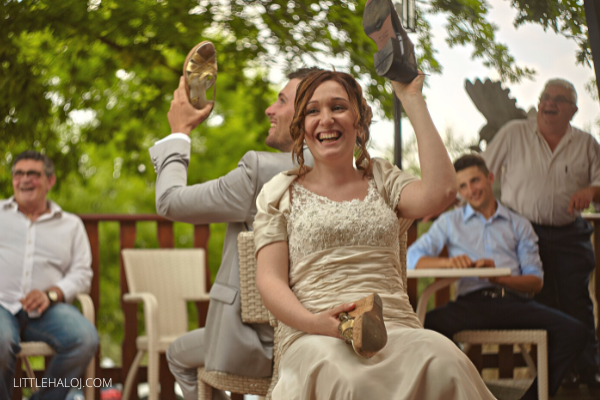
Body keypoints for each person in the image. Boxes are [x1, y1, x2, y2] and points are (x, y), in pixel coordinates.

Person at [253, 70, 496, 399]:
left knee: (445, 359)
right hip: (314, 334)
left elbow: (441, 192)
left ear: (359, 121)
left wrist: (411, 99)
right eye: (313, 110)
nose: (326, 119)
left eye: (338, 107)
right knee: (347, 381)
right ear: (301, 127)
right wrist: (317, 323)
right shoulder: (279, 192)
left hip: (395, 327)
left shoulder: (383, 179)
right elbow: (269, 281)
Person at [150, 68, 320, 400]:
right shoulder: (351, 176)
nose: (270, 109)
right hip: (328, 333)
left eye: (281, 100)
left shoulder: (263, 172)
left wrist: (180, 131)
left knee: (177, 355)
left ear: (309, 115)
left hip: (258, 343)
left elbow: (170, 202)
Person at [407, 153, 588, 399]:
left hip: (512, 303)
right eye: (463, 186)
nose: (471, 190)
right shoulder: (449, 223)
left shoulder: (519, 224)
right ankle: (458, 393)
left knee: (575, 331)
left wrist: (497, 278)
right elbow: (410, 257)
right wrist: (450, 263)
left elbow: (535, 281)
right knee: (419, 327)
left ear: (490, 178)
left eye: (475, 181)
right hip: (470, 305)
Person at [482, 78, 600, 387]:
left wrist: (591, 190)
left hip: (570, 234)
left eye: (559, 99)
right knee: (539, 305)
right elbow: (479, 172)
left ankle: (589, 371)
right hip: (523, 235)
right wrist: (446, 200)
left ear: (573, 110)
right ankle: (551, 376)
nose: (549, 103)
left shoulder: (587, 143)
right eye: (546, 97)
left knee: (577, 302)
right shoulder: (513, 132)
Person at [0, 150, 99, 400]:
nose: (24, 180)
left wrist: (52, 294)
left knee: (85, 338)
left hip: (48, 311)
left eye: (33, 174)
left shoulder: (71, 225)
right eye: (18, 174)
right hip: (1, 305)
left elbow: (82, 273)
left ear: (50, 181)